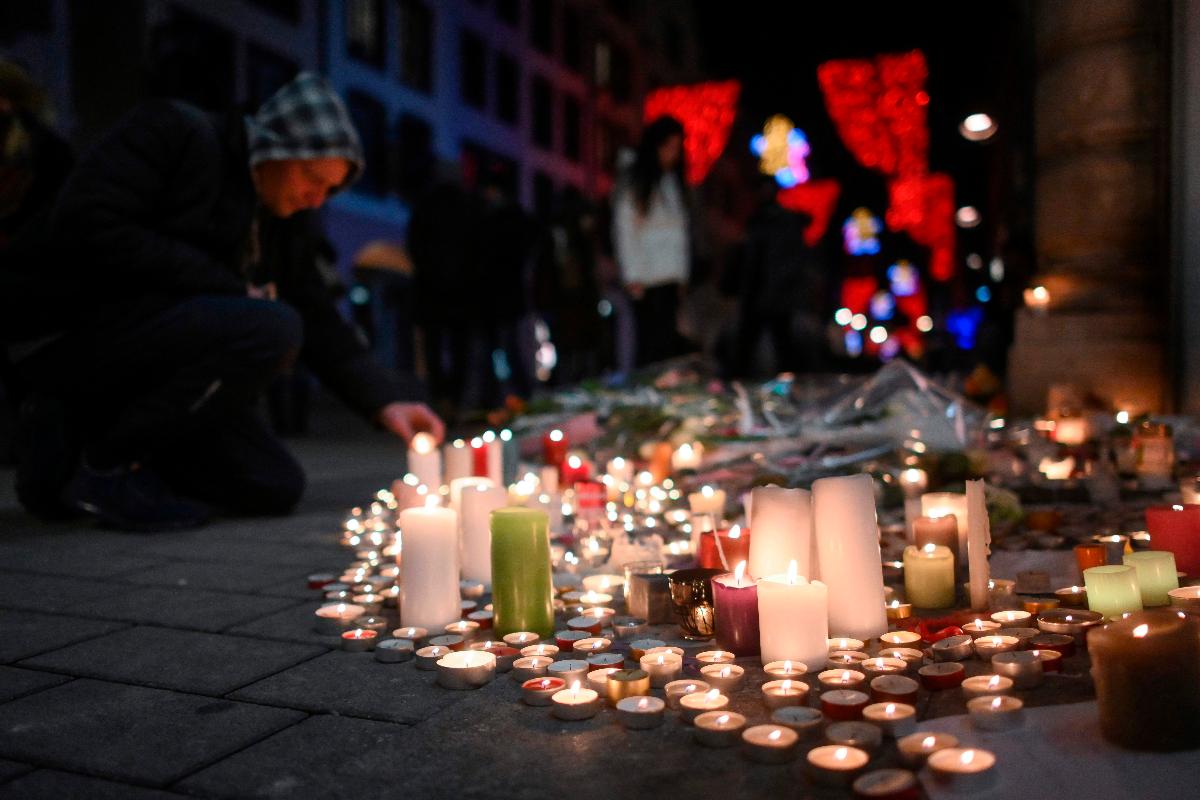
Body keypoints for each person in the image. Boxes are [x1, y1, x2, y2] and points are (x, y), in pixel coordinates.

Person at [0, 72, 443, 530]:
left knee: (271, 482)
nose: (316, 198)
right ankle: (105, 465)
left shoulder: (281, 220)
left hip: (157, 355)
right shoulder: (174, 133)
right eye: (312, 177)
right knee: (271, 326)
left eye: (329, 190)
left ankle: (65, 461)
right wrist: (227, 287)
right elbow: (88, 224)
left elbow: (317, 313)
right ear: (273, 149)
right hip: (71, 334)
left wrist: (384, 402)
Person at [611, 115, 691, 367]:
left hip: (669, 277)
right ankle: (644, 398)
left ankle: (661, 396)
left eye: (678, 148)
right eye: (670, 147)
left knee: (667, 344)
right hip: (646, 278)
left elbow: (679, 234)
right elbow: (624, 229)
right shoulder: (637, 179)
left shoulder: (672, 182)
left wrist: (681, 274)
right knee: (649, 346)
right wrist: (632, 275)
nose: (674, 154)